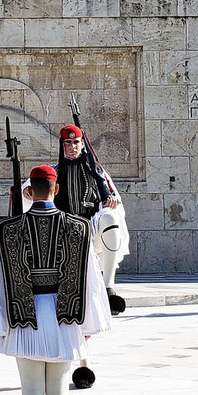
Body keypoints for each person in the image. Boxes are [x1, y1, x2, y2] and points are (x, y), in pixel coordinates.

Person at [0, 165, 111, 395]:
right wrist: (87, 326)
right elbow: (91, 282)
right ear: (56, 190)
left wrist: (1, 324)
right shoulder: (79, 228)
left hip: (24, 318)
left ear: (30, 191)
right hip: (63, 318)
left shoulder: (8, 229)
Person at [53, 125, 130, 316]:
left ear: (82, 144)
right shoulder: (53, 172)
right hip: (65, 229)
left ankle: (109, 286)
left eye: (76, 142)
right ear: (62, 146)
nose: (72, 147)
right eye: (68, 143)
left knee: (110, 217)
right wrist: (28, 193)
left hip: (91, 226)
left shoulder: (96, 171)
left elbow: (113, 197)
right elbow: (30, 191)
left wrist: (112, 200)